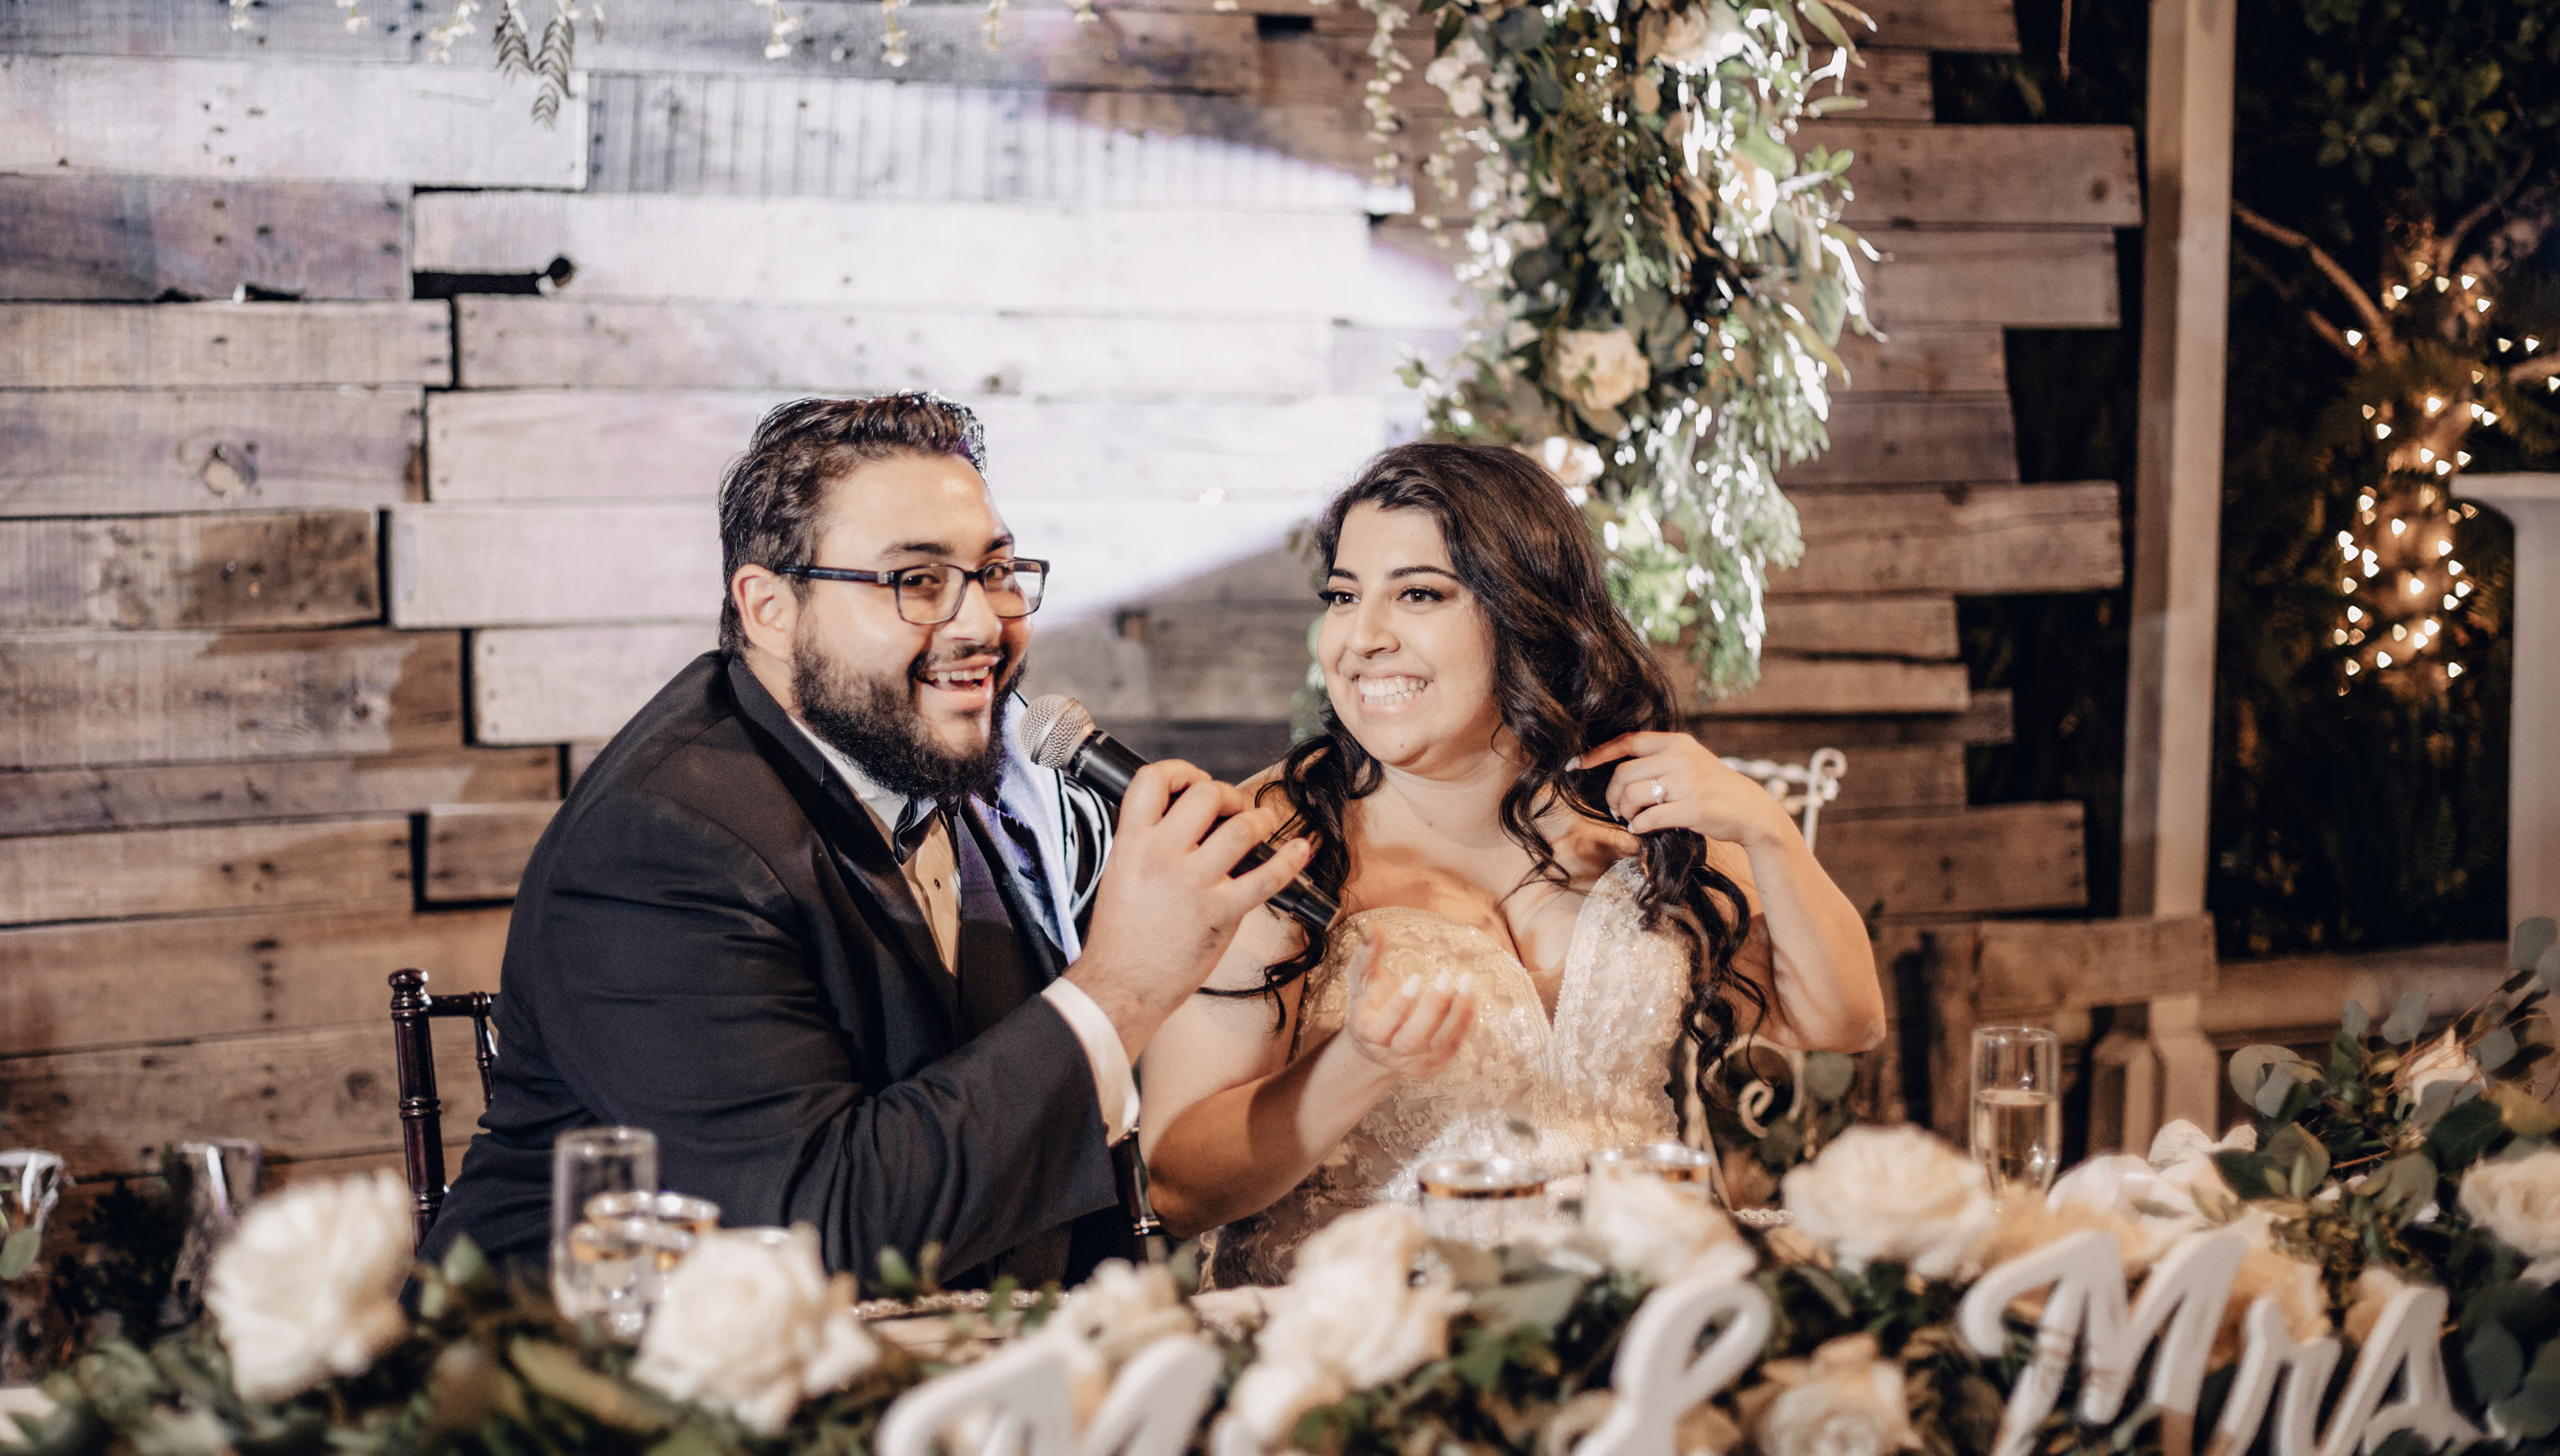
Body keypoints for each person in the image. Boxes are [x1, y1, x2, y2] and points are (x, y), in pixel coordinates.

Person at [421, 394, 1313, 1288]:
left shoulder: (994, 760)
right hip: (603, 1359)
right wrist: (1127, 981)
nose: (982, 624)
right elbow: (815, 1227)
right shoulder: (655, 848)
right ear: (770, 608)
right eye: (917, 581)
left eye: (996, 571)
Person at [1137, 441, 1888, 1284]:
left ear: (1524, 613)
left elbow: (1843, 1023)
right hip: (1375, 1329)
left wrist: (1768, 832)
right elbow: (1180, 1185)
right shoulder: (1275, 842)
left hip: (1631, 1307)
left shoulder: (1632, 813)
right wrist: (1356, 1064)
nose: (1361, 638)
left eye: (1418, 593)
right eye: (1344, 597)